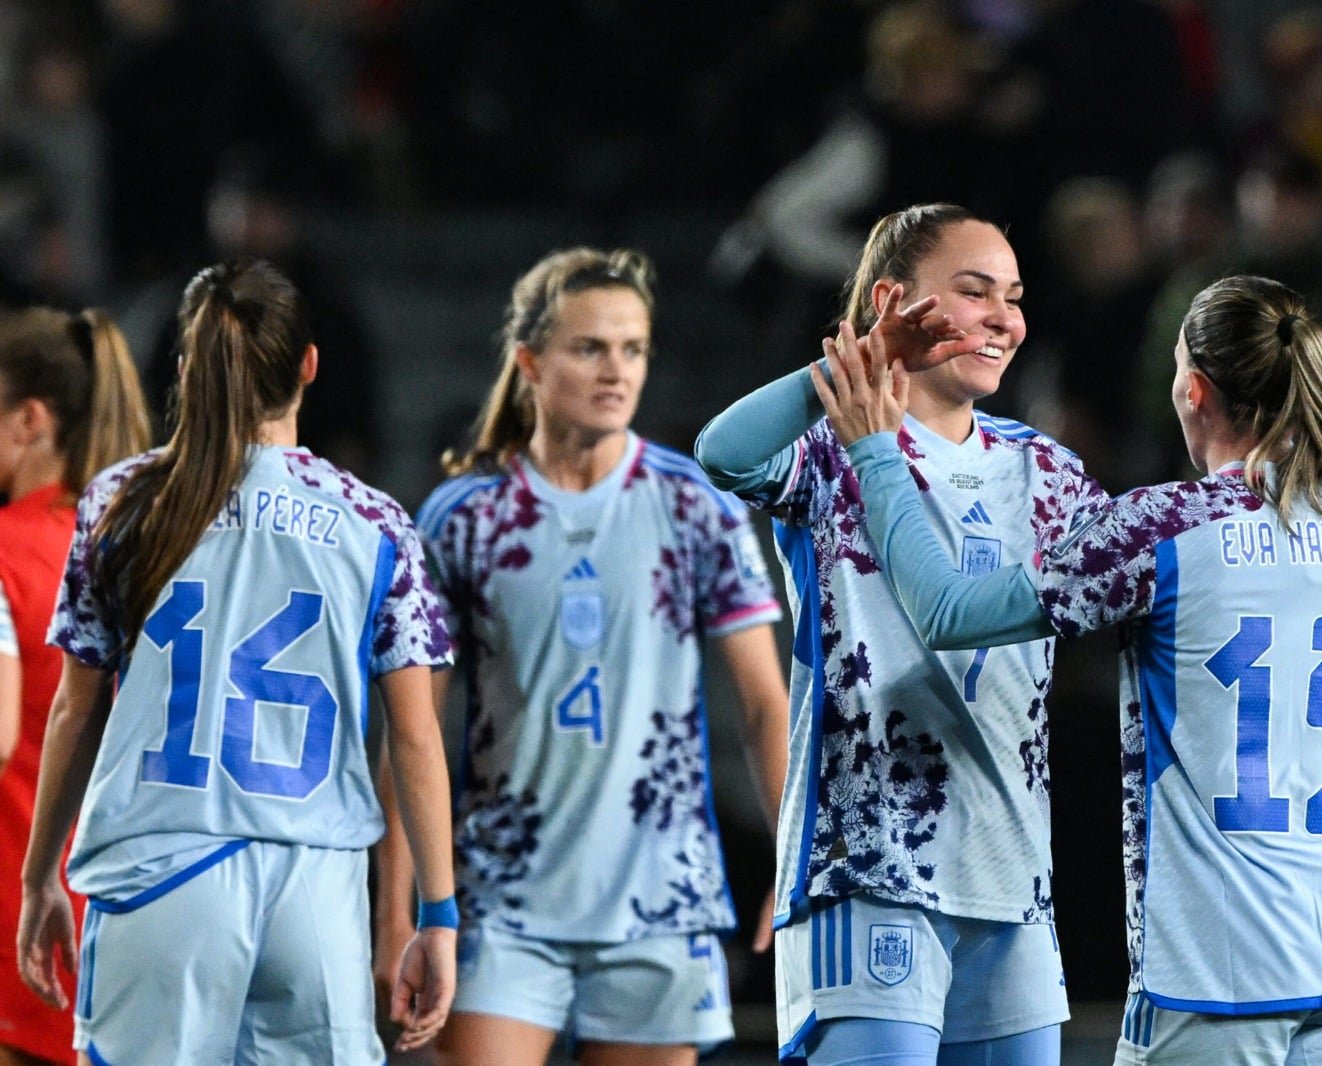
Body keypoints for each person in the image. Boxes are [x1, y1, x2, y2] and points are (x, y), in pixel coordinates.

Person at [819, 273, 1322, 1064]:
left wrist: (875, 454)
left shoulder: (1165, 527)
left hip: (1222, 970)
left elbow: (949, 614)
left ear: (1195, 390)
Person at [16, 258, 457, 1063]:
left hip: (162, 869)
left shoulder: (123, 501)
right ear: (310, 366)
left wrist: (38, 877)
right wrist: (439, 916)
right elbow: (418, 738)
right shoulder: (377, 523)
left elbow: (77, 709)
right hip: (316, 883)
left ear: (187, 369)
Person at [697, 203, 1101, 1065]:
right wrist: (859, 363)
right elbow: (722, 452)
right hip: (868, 865)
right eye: (974, 291)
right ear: (892, 301)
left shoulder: (1049, 471)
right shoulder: (832, 448)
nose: (1004, 318)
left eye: (1015, 297)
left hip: (1012, 874)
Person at [378, 247, 790, 1066]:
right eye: (590, 347)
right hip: (501, 902)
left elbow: (764, 704)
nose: (616, 370)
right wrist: (403, 910)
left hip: (662, 903)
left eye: (633, 348)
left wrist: (792, 853)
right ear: (529, 361)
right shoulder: (464, 518)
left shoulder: (694, 506)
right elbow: (409, 731)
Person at [0, 307, 148, 1066]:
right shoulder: (138, 548)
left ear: (29, 420)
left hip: (18, 920)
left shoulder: (5, 551)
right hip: (126, 921)